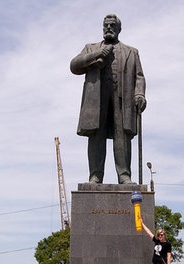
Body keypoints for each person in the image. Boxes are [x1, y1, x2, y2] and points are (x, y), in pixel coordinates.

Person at [70, 14, 147, 184]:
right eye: (106, 25)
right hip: (96, 98)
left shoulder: (131, 52)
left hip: (122, 98)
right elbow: (74, 65)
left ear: (119, 29)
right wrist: (97, 54)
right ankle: (95, 175)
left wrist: (139, 94)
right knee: (96, 134)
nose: (109, 28)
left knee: (123, 135)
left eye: (112, 25)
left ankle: (124, 175)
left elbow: (139, 76)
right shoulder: (91, 48)